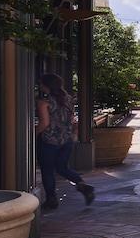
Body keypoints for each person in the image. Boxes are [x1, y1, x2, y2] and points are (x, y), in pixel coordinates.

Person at [35, 73, 95, 210]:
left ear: (46, 85)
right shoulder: (68, 99)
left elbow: (44, 123)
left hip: (49, 141)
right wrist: (73, 135)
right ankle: (83, 186)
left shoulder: (44, 103)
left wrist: (33, 134)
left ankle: (51, 199)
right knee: (62, 167)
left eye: (41, 84)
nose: (40, 86)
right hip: (66, 140)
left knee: (48, 170)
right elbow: (73, 120)